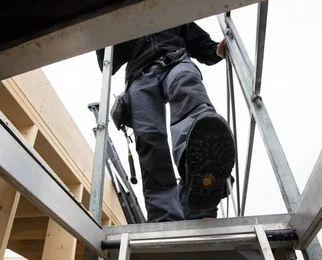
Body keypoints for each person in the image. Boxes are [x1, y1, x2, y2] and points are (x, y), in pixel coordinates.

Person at [97, 22, 235, 222]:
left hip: (177, 60)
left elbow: (198, 41)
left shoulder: (171, 8)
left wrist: (215, 51)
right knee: (149, 141)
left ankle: (201, 181)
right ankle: (165, 217)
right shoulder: (126, 18)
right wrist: (102, 27)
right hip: (139, 77)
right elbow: (108, 63)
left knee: (190, 98)